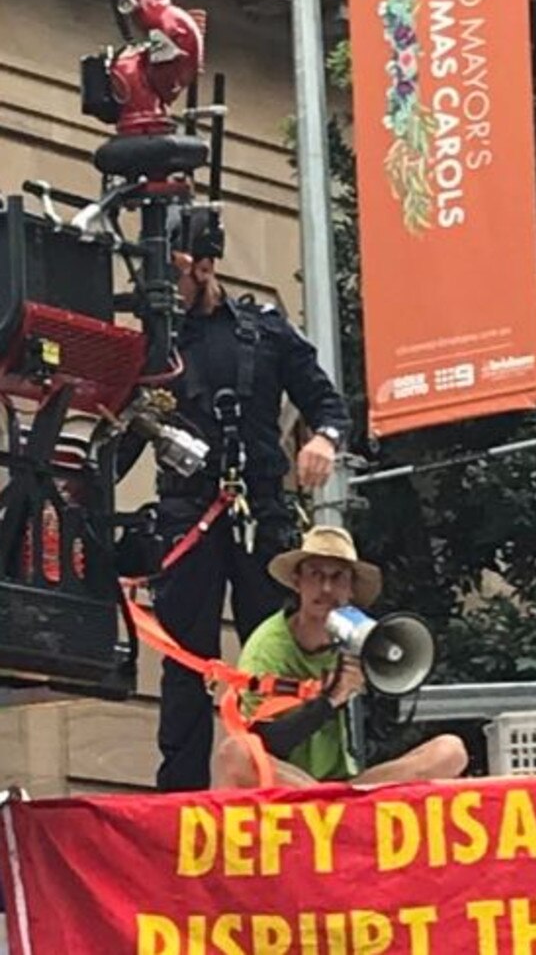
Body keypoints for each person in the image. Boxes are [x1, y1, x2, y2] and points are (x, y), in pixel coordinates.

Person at [153, 227, 350, 792]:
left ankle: (275, 776)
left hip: (259, 511)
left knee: (273, 648)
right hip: (189, 514)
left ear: (204, 267)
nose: (165, 287)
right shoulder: (160, 342)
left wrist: (324, 440)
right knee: (185, 658)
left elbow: (327, 402)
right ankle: (181, 795)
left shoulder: (262, 329)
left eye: (175, 271)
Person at [215, 525, 468, 788]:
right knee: (235, 754)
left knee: (451, 751)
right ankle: (326, 805)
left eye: (338, 578)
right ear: (297, 583)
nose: (326, 588)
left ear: (351, 591)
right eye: (315, 575)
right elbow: (262, 743)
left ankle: (337, 804)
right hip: (287, 783)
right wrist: (328, 701)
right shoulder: (268, 647)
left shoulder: (357, 638)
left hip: (344, 786)